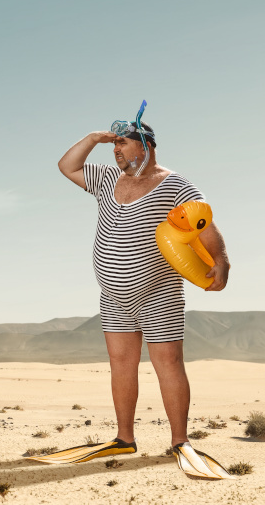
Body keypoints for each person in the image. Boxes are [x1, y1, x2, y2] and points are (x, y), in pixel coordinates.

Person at [33, 106, 233, 479]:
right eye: (114, 146)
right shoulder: (107, 179)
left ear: (147, 146)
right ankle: (125, 438)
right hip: (113, 296)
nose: (117, 151)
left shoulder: (176, 186)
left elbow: (204, 224)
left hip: (158, 293)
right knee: (121, 365)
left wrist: (221, 259)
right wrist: (94, 138)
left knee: (168, 365)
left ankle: (180, 441)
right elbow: (67, 166)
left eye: (123, 143)